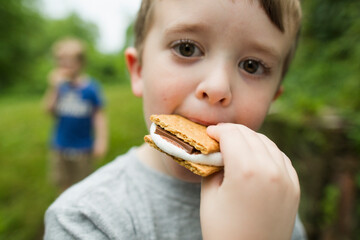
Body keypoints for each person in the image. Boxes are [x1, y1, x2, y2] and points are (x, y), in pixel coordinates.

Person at [44, 0, 307, 239]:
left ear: (273, 96)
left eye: (252, 65)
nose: (217, 87)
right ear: (138, 70)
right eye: (187, 48)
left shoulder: (273, 206)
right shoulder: (84, 220)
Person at [43, 37, 108, 193]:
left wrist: (101, 141)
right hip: (60, 145)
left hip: (83, 147)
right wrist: (54, 88)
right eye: (60, 62)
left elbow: (99, 116)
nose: (63, 66)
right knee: (63, 183)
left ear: (80, 63)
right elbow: (48, 110)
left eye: (68, 62)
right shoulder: (60, 87)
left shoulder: (91, 88)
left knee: (83, 185)